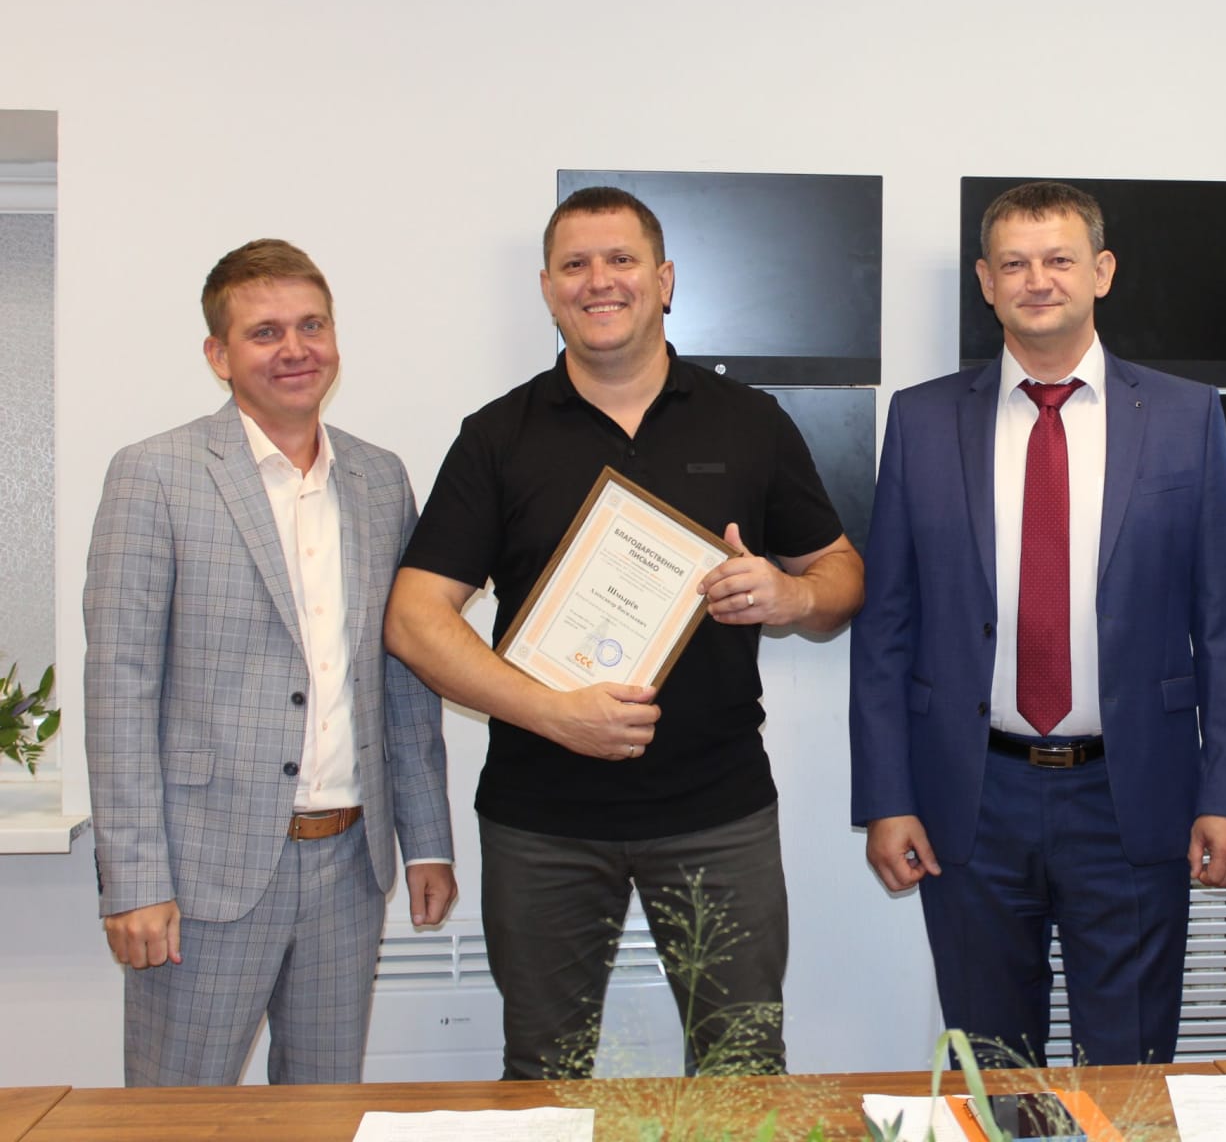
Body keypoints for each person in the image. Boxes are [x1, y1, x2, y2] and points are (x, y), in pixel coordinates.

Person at [383, 186, 862, 1080]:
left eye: (620, 260)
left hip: (718, 813)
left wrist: (791, 597)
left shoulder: (749, 421)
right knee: (544, 1075)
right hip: (542, 822)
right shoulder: (497, 436)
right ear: (547, 289)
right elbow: (414, 620)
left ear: (665, 280)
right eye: (575, 264)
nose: (598, 281)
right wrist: (552, 713)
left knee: (741, 1073)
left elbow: (842, 575)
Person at [849, 181, 1226, 1066]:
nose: (1037, 280)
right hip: (972, 797)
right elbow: (886, 627)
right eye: (1014, 263)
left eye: (1059, 260)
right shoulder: (921, 421)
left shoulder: (1187, 416)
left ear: (1102, 272)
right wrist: (886, 798)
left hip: (1133, 794)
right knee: (994, 1068)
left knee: (1130, 1068)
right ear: (985, 282)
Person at [83, 239, 456, 1086]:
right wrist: (134, 880)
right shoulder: (154, 475)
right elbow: (118, 690)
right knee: (178, 1120)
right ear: (218, 355)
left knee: (322, 1110)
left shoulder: (380, 479)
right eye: (265, 333)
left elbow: (402, 678)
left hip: (350, 866)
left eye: (311, 326)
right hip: (201, 873)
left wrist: (427, 841)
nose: (295, 349)